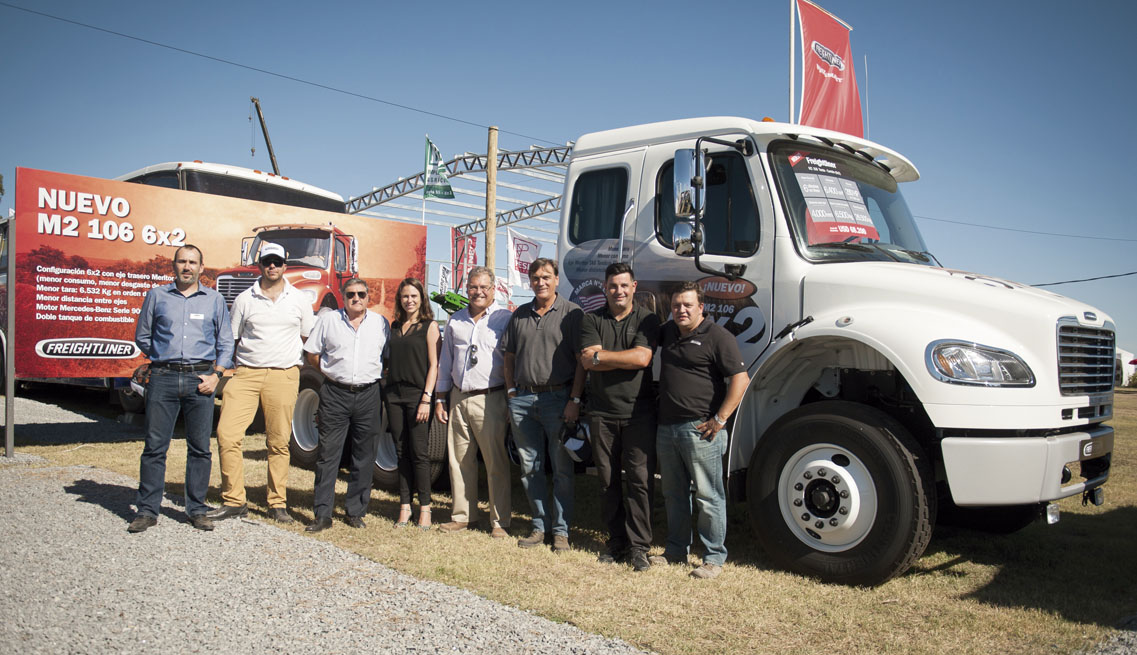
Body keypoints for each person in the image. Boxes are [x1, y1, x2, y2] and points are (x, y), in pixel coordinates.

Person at [129, 244, 234, 533]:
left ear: (202, 267)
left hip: (201, 380)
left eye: (193, 262)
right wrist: (164, 357)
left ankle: (196, 509)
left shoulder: (214, 300)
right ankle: (147, 510)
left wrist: (216, 375)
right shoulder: (157, 296)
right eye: (182, 262)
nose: (187, 267)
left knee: (200, 449)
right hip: (163, 378)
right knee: (154, 447)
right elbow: (143, 336)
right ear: (173, 265)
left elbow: (226, 343)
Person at [209, 243, 314, 524]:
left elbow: (308, 338)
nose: (272, 267)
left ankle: (277, 504)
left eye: (277, 262)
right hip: (246, 374)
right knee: (227, 435)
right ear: (260, 265)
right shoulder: (245, 299)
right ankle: (234, 501)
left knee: (279, 442)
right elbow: (232, 338)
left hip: (284, 375)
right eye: (267, 261)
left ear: (285, 265)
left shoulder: (299, 300)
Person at [653, 282, 749, 579]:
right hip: (667, 427)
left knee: (709, 496)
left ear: (701, 308)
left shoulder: (718, 336)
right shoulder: (668, 331)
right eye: (676, 305)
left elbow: (740, 380)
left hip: (701, 430)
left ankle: (713, 557)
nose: (681, 310)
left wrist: (720, 420)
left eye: (687, 305)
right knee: (674, 494)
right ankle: (675, 551)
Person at [579, 262, 661, 571]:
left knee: (640, 482)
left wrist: (602, 356)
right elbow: (587, 362)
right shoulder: (591, 319)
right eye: (613, 285)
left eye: (624, 285)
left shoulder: (647, 319)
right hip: (601, 413)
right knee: (608, 482)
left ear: (634, 287)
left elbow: (642, 358)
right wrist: (612, 359)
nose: (619, 291)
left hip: (638, 414)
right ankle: (616, 542)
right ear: (605, 287)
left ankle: (639, 546)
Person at [502, 258, 586, 552]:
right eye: (536, 277)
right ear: (530, 280)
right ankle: (539, 526)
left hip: (558, 400)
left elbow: (581, 362)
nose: (541, 282)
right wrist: (512, 391)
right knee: (530, 468)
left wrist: (574, 399)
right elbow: (509, 355)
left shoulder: (572, 314)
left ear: (556, 279)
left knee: (562, 469)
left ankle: (561, 531)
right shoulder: (520, 314)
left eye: (546, 277)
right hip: (523, 400)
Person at [302, 278, 390, 531]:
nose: (356, 298)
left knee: (364, 455)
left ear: (368, 297)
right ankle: (322, 514)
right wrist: (330, 375)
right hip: (335, 394)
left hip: (368, 394)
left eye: (361, 294)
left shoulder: (379, 323)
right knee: (328, 454)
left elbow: (385, 358)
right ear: (342, 295)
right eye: (350, 294)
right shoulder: (328, 321)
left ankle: (355, 511)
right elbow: (312, 354)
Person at [434, 266, 513, 538]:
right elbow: (446, 362)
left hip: (491, 398)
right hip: (458, 396)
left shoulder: (504, 319)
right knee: (459, 461)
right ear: (466, 289)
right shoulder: (455, 320)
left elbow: (511, 360)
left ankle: (500, 521)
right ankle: (462, 515)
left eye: (484, 288)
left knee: (495, 462)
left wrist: (510, 399)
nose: (478, 292)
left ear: (493, 290)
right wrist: (441, 397)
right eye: (473, 287)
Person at [384, 277, 440, 530]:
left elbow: (434, 365)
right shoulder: (394, 326)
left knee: (420, 454)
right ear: (400, 299)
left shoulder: (429, 327)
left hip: (419, 397)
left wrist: (427, 398)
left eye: (414, 296)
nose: (409, 300)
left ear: (422, 299)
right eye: (405, 296)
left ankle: (425, 509)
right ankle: (404, 506)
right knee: (400, 451)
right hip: (394, 396)